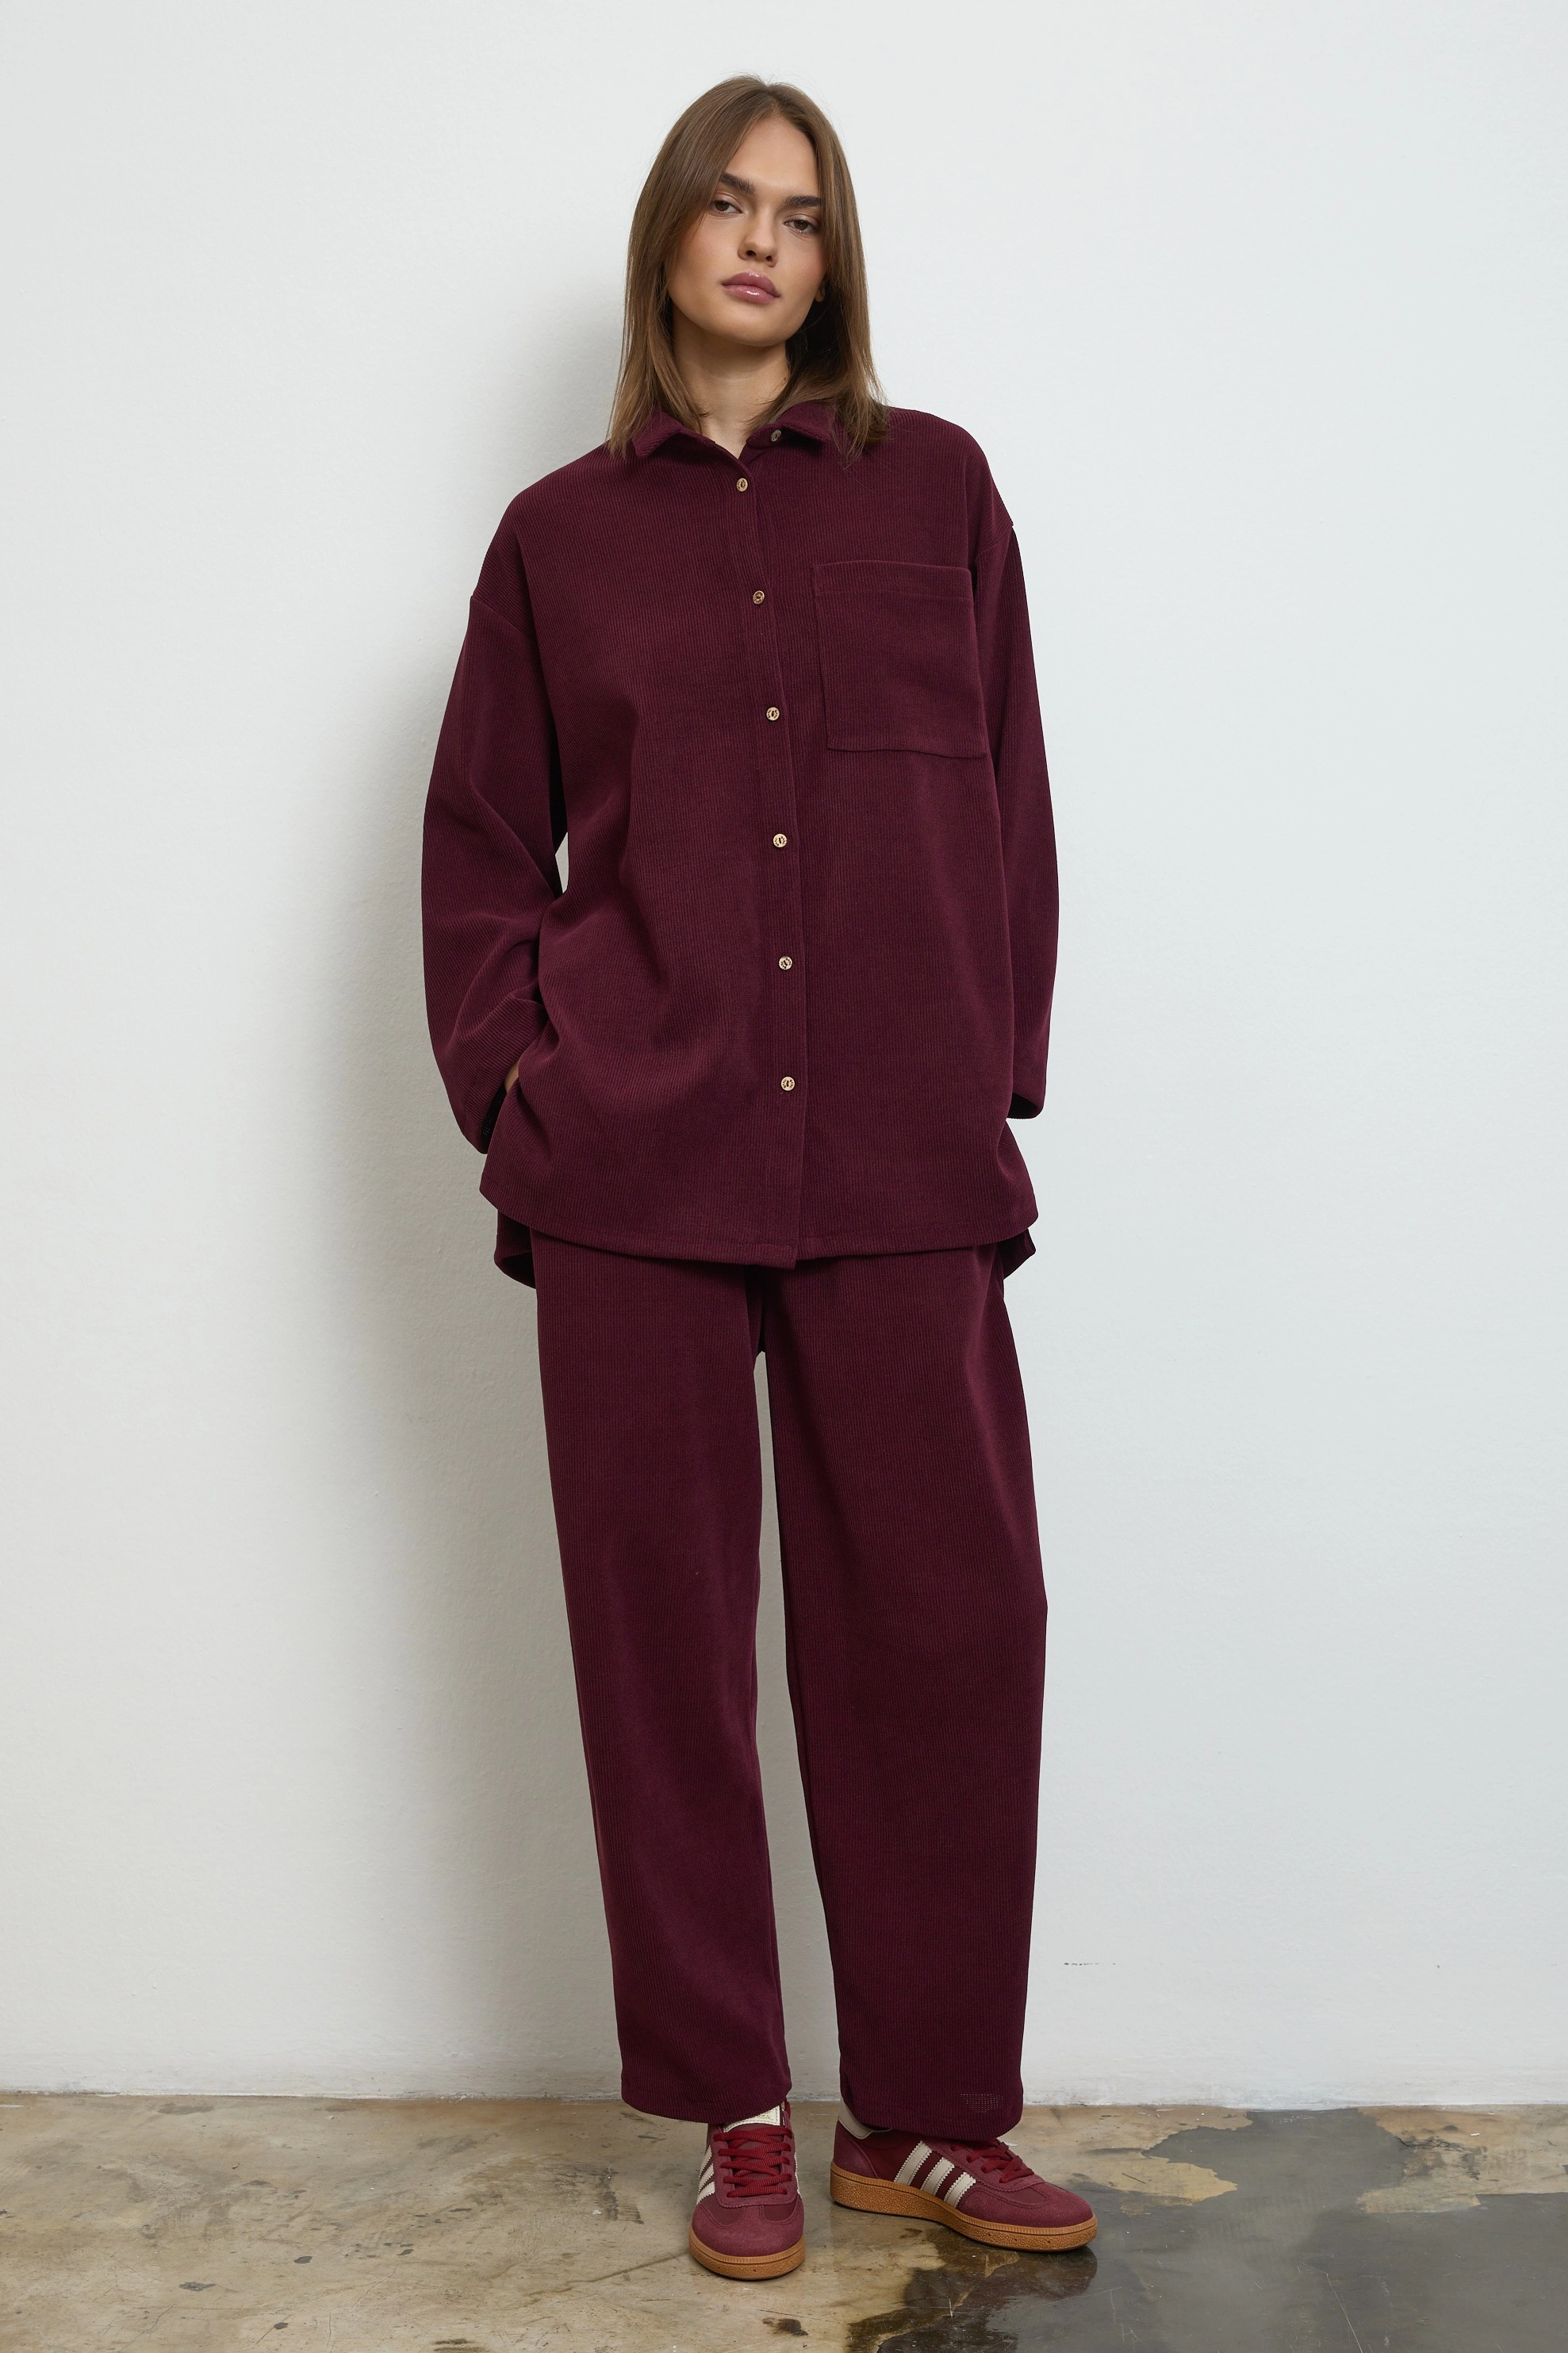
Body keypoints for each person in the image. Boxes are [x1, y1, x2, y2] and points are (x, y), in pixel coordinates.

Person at [420, 75, 1096, 2282]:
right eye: (726, 202)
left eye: (799, 215)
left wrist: (986, 1068)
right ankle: (735, 2111)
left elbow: (1009, 789)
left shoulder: (936, 493)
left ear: (835, 259)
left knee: (950, 1621)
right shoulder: (558, 540)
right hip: (640, 1159)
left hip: (895, 1142)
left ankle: (928, 2117)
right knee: (664, 1637)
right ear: (667, 239)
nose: (760, 241)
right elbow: (478, 845)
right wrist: (529, 1076)